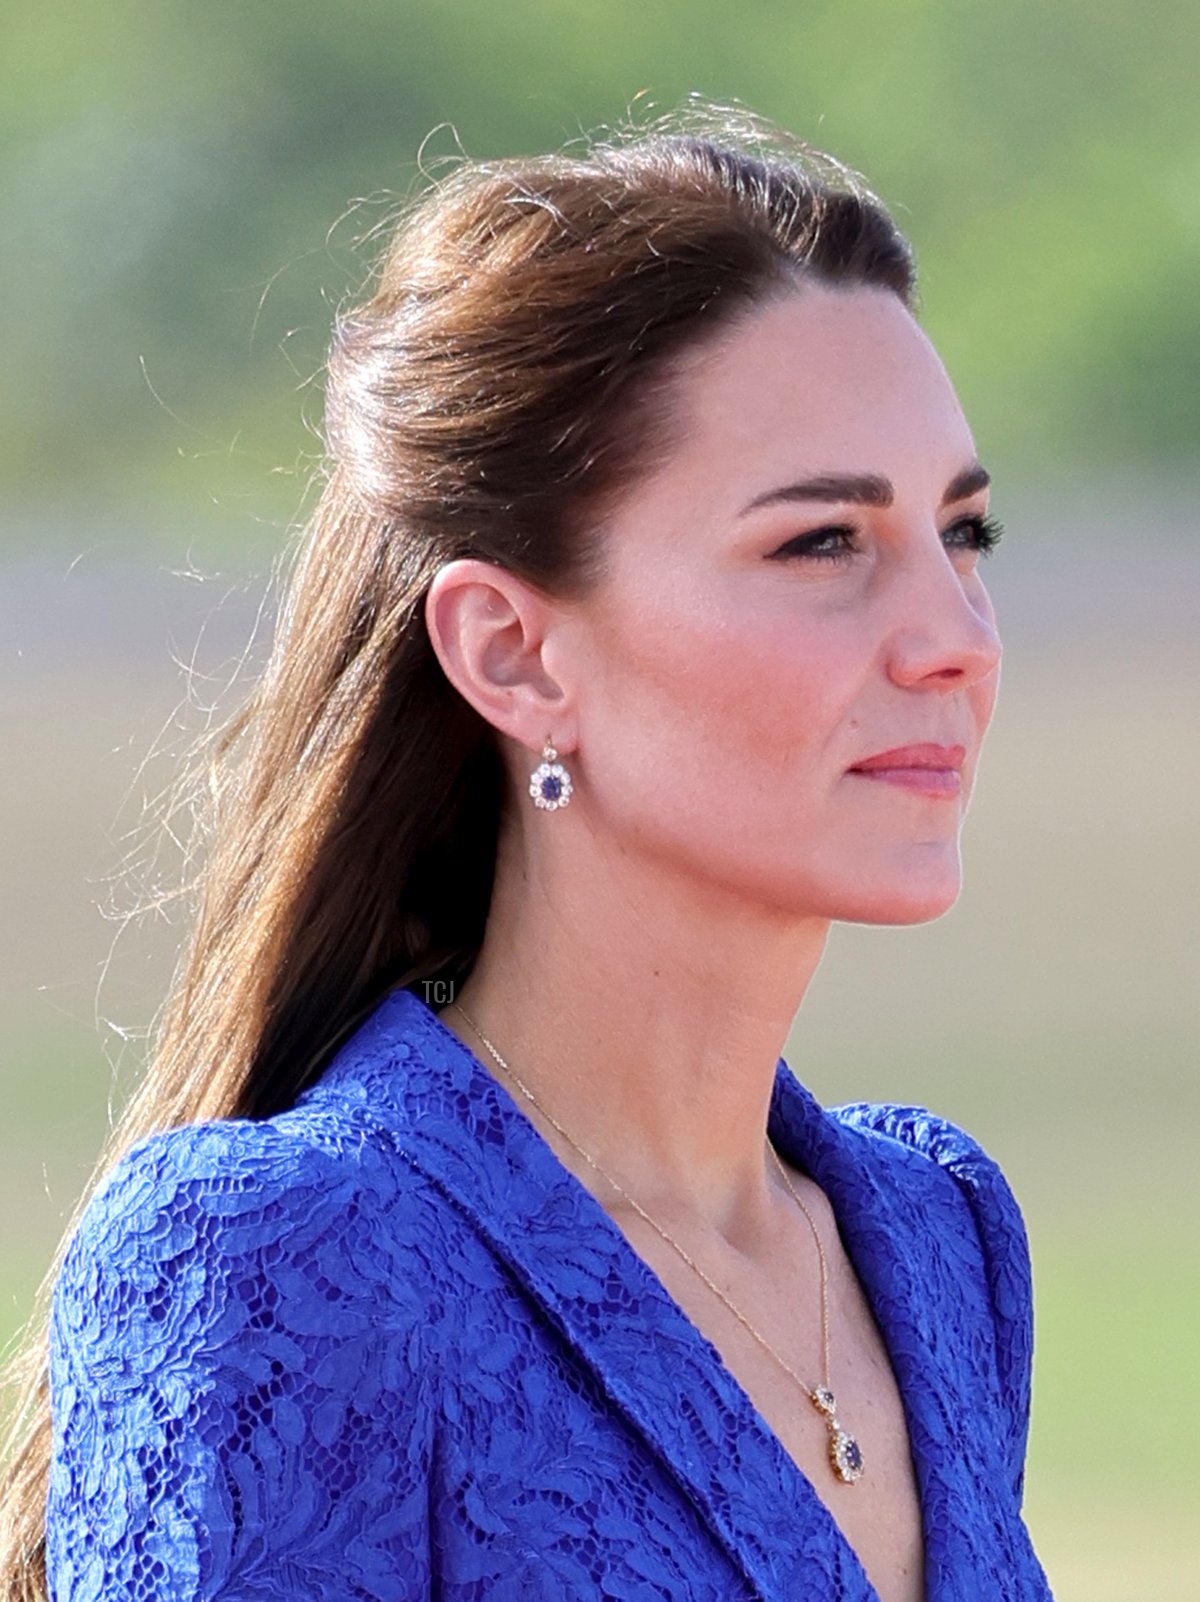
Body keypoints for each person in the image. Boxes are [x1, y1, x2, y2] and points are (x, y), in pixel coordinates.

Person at [0, 108, 1054, 1601]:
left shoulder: (936, 1238)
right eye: (823, 542)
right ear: (513, 651)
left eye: (968, 535)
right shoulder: (282, 1260)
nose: (954, 637)